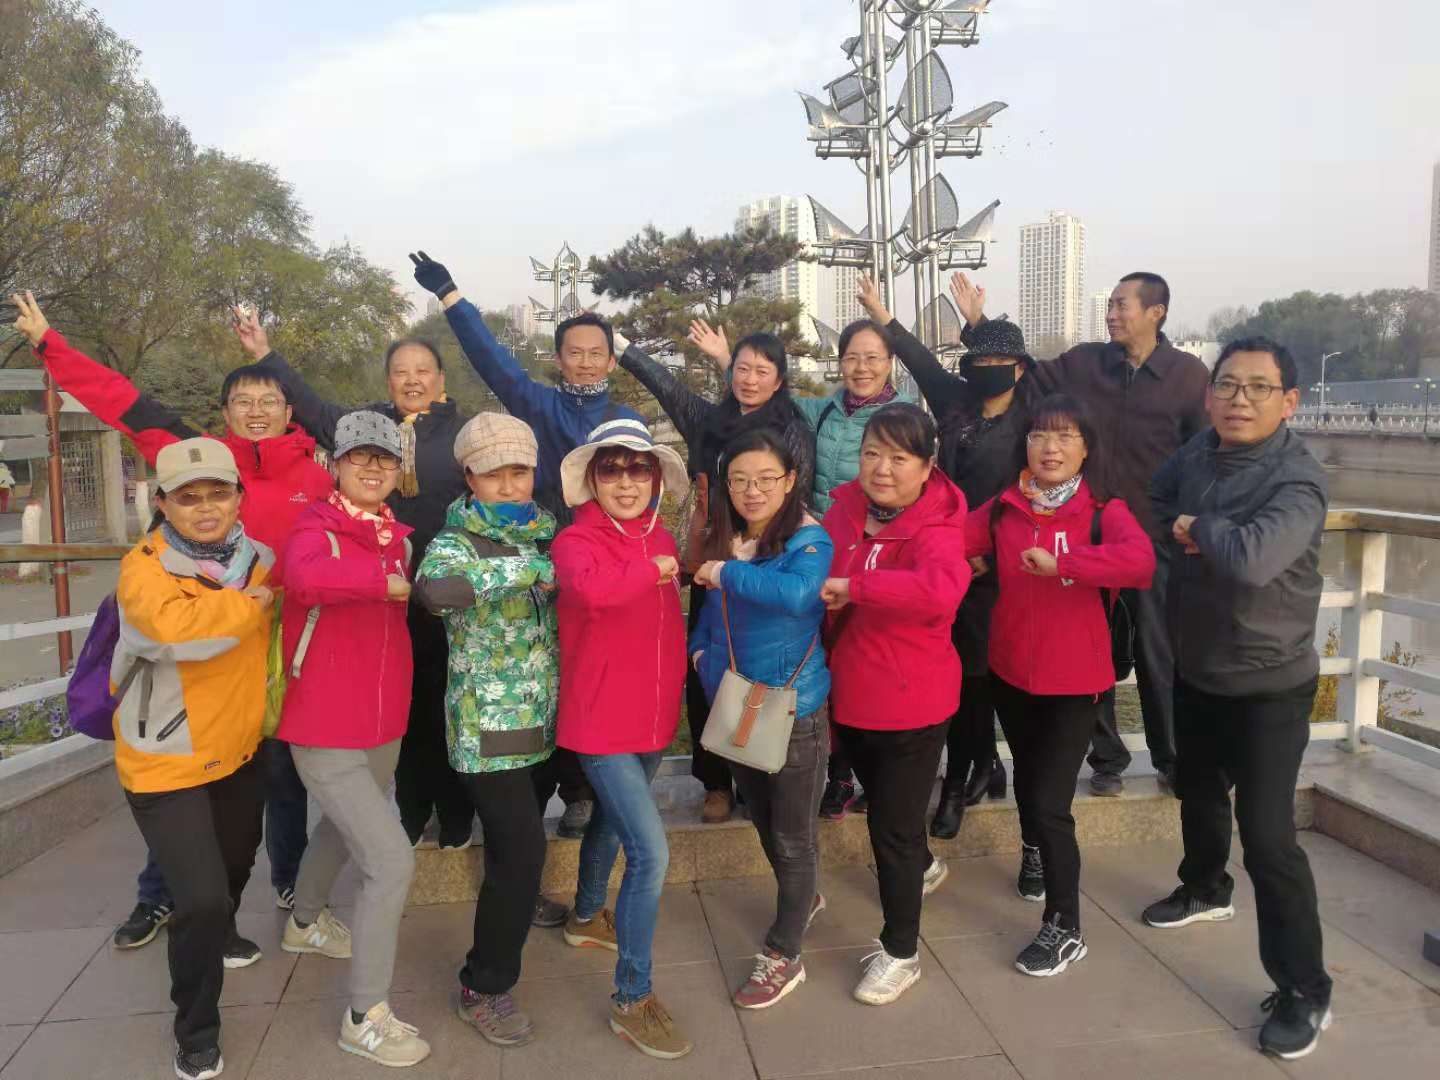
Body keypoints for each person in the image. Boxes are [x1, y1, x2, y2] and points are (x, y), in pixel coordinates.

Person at [11, 291, 321, 948]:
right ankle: (158, 897)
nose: (257, 410)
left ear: (290, 409)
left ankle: (289, 886)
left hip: (273, 657)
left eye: (270, 400)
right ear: (225, 412)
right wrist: (50, 345)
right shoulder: (195, 457)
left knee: (277, 781)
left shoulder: (318, 479)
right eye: (243, 401)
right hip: (184, 659)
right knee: (179, 780)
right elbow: (122, 401)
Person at [411, 251, 644, 845]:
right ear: (559, 358)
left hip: (603, 560)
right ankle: (532, 796)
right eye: (574, 352)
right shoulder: (540, 405)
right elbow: (493, 362)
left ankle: (583, 786)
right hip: (540, 553)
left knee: (588, 667)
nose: (585, 361)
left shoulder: (622, 419)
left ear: (611, 359)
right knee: (543, 667)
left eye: (596, 352)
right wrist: (451, 296)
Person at [1143, 337, 1332, 1061]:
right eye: (1226, 385)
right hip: (1198, 666)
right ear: (1209, 394)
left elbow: (1254, 560)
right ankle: (1203, 887)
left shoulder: (1298, 479)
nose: (1239, 400)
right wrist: (1181, 532)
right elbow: (1157, 499)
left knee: (1269, 838)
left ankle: (1305, 987)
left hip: (1269, 684)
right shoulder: (1199, 452)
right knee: (1196, 791)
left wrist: (1201, 530)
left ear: (1290, 401)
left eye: (1258, 387)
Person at [952, 271, 1209, 797]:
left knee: (1159, 654)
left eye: (1121, 305)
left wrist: (1196, 520)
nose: (1111, 314)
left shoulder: (1188, 376)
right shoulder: (1086, 362)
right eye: (1110, 305)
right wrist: (980, 324)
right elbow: (1021, 373)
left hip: (1152, 540)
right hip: (1081, 534)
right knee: (1093, 651)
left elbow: (1205, 455)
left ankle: (1171, 758)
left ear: (1156, 312)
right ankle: (1107, 758)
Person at [235, 312, 477, 852]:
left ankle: (457, 813)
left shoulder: (464, 435)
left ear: (441, 378)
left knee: (447, 704)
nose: (412, 380)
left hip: (447, 595)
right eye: (400, 371)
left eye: (422, 370)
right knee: (404, 709)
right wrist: (265, 356)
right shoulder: (370, 429)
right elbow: (314, 408)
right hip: (378, 597)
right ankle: (411, 813)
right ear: (388, 380)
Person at [688, 307, 902, 822]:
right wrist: (728, 360)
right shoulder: (821, 410)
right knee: (778, 647)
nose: (861, 367)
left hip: (848, 545)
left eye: (873, 358)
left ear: (890, 362)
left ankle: (845, 771)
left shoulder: (902, 416)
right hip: (812, 540)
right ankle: (747, 763)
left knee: (846, 658)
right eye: (852, 358)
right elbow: (760, 388)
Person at [966, 394, 1155, 977]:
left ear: (1086, 448)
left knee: (1051, 804)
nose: (1050, 448)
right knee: (1029, 781)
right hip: (1011, 673)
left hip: (1075, 680)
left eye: (1065, 437)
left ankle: (1065, 927)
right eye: (1039, 436)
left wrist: (1066, 564)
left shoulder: (1103, 511)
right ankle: (1033, 851)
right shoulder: (1004, 508)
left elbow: (1140, 563)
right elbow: (951, 540)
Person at [110, 437, 275, 1080]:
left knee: (235, 867)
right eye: (188, 497)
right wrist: (249, 606)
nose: (206, 508)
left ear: (238, 497)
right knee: (200, 899)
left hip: (238, 748)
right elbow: (175, 632)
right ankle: (197, 1028)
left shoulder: (258, 558)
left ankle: (216, 936)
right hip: (164, 757)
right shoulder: (144, 568)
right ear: (163, 504)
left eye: (218, 494)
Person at [273, 411, 429, 1068]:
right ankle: (365, 1017)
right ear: (335, 464)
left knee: (340, 830)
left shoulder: (398, 539)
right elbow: (303, 578)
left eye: (384, 459)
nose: (372, 468)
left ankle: (304, 921)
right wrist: (379, 583)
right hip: (322, 722)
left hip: (382, 720)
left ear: (398, 470)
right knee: (390, 861)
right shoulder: (315, 527)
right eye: (359, 456)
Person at [618, 323, 815, 824]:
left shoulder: (792, 429)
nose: (749, 379)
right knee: (709, 666)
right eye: (742, 369)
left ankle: (758, 766)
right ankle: (716, 782)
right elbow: (669, 388)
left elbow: (797, 493)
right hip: (712, 558)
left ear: (779, 380)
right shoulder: (711, 421)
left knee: (758, 662)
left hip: (767, 558)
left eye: (762, 371)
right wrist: (622, 348)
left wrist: (758, 545)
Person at [855, 277, 1030, 839]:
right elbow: (917, 357)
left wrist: (992, 556)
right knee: (946, 670)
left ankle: (961, 780)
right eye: (978, 361)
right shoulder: (955, 401)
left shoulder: (1032, 421)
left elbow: (1026, 496)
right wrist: (882, 316)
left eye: (999, 363)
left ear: (1020, 369)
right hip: (939, 553)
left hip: (992, 567)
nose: (987, 371)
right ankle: (979, 765)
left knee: (976, 677)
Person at [414, 413, 559, 1048]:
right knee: (522, 851)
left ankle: (517, 899)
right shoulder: (456, 542)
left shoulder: (546, 534)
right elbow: (435, 593)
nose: (507, 484)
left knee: (516, 853)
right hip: (488, 732)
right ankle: (484, 985)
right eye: (493, 472)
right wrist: (523, 572)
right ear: (469, 477)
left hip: (543, 722)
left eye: (518, 471)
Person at [551, 418, 692, 1059]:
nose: (627, 481)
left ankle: (585, 915)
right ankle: (632, 997)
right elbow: (592, 592)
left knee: (612, 823)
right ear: (592, 478)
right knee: (651, 854)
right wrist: (654, 568)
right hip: (600, 721)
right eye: (612, 468)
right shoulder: (575, 541)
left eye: (640, 468)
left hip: (653, 716)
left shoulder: (658, 534)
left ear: (656, 477)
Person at [820, 403, 969, 1005]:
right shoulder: (843, 510)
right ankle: (924, 866)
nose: (881, 469)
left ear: (928, 466)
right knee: (888, 809)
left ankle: (901, 953)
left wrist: (857, 587)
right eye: (871, 454)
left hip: (911, 701)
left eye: (899, 458)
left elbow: (940, 591)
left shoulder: (939, 525)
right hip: (848, 691)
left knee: (892, 829)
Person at [689, 428, 833, 1008]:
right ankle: (805, 899)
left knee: (794, 839)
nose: (752, 491)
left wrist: (723, 571)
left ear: (790, 480)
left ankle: (784, 953)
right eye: (740, 480)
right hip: (739, 704)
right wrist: (702, 660)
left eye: (766, 479)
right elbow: (709, 616)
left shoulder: (809, 540)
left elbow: (797, 596)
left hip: (794, 710)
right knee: (766, 823)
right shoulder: (731, 537)